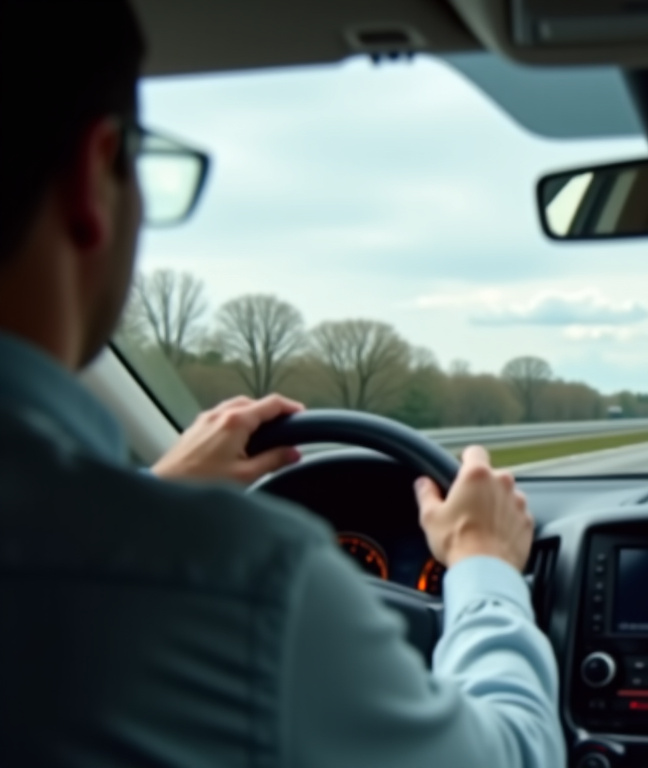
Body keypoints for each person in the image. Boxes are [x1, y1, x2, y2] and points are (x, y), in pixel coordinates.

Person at [0, 2, 564, 766]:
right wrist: (484, 565)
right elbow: (515, 753)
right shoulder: (247, 587)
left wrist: (160, 493)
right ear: (92, 177)